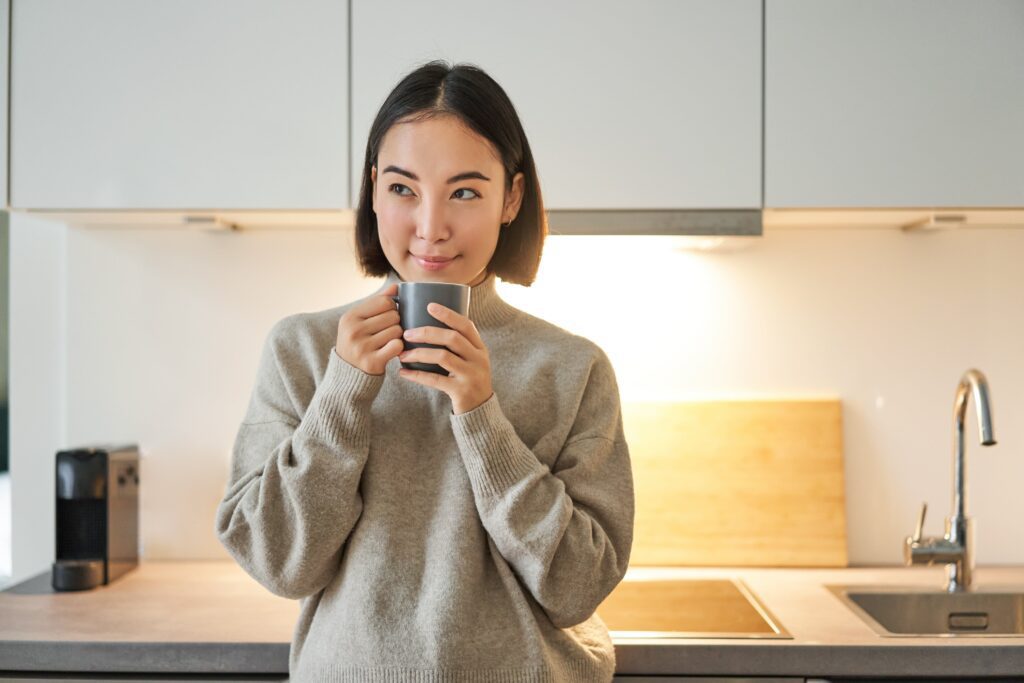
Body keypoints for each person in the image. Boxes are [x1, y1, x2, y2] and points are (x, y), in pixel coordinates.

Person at [215, 60, 635, 683]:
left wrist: (483, 418)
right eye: (404, 189)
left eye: (464, 191)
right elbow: (278, 562)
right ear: (374, 188)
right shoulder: (302, 349)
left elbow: (578, 586)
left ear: (511, 198)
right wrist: (342, 395)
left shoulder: (574, 369)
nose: (431, 227)